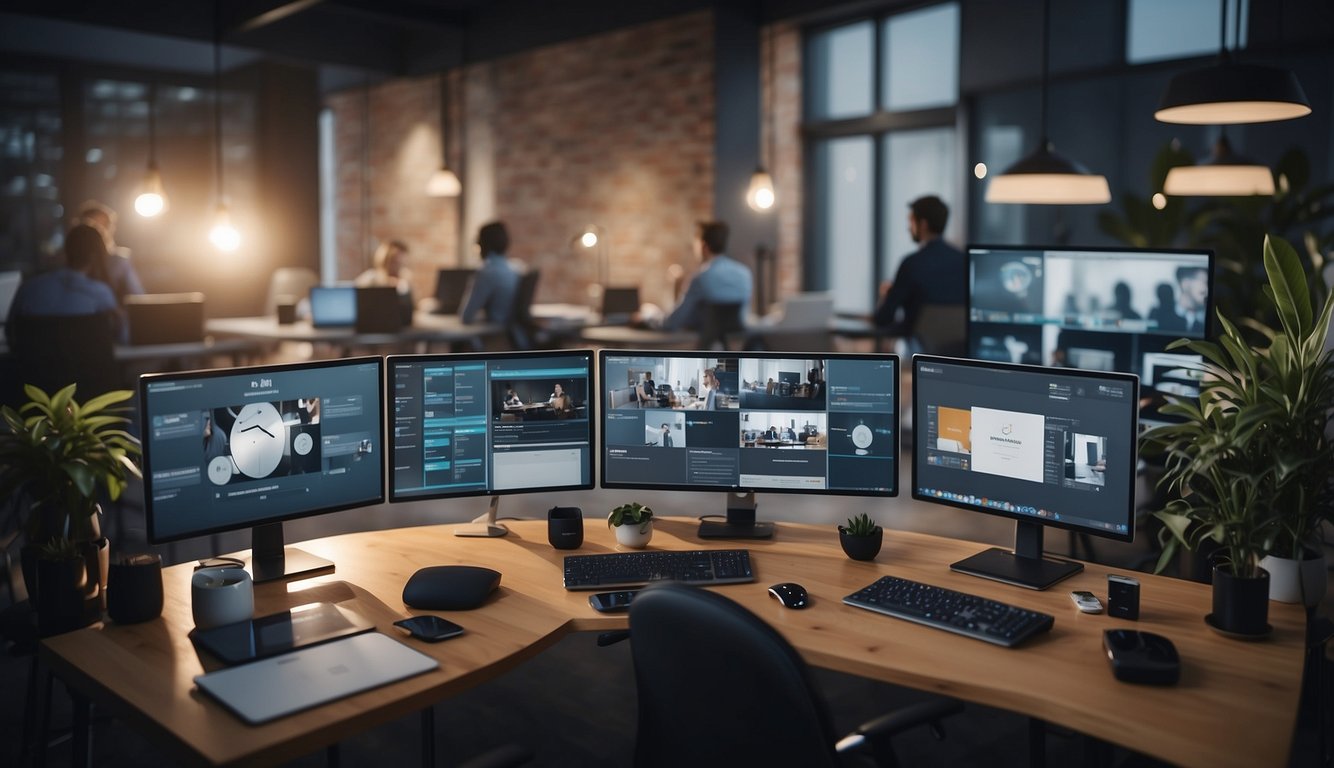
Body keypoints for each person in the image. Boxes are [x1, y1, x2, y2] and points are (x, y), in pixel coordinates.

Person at [6, 223, 127, 346]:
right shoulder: (100, 293)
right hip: (84, 363)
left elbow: (10, 333)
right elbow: (122, 338)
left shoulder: (29, 288)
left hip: (33, 364)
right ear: (95, 256)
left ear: (66, 250)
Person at [872, 195, 965, 335]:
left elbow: (883, 319)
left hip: (916, 352)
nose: (908, 228)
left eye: (911, 221)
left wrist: (885, 295)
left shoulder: (911, 265)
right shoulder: (964, 261)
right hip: (960, 351)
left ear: (923, 224)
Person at [661, 221, 753, 331]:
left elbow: (673, 322)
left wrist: (650, 319)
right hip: (737, 344)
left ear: (704, 246)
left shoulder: (701, 278)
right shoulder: (744, 273)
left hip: (704, 344)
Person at [77, 200, 145, 306]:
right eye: (94, 227)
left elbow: (138, 297)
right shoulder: (65, 261)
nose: (99, 233)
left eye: (105, 227)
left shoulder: (119, 260)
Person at [462, 222, 521, 326]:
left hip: (494, 335)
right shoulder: (516, 270)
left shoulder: (486, 273)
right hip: (511, 333)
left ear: (481, 244)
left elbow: (466, 316)